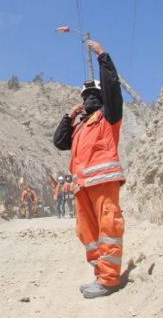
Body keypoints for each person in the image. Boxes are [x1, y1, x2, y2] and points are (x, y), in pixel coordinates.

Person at [53, 39, 126, 299]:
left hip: (103, 184)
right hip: (82, 188)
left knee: (108, 229)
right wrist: (69, 116)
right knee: (88, 234)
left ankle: (109, 280)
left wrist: (102, 56)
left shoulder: (108, 117)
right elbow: (59, 142)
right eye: (86, 96)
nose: (89, 99)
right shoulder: (80, 127)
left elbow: (112, 87)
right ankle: (100, 274)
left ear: (101, 97)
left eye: (93, 95)